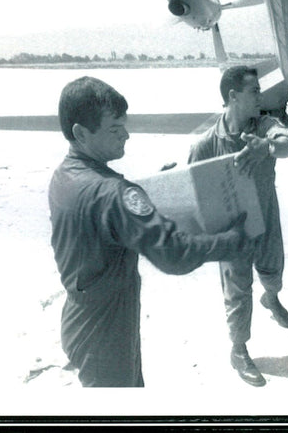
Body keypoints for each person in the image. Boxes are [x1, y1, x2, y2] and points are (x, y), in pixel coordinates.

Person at [48, 76, 247, 387]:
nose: (126, 135)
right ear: (80, 133)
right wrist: (232, 241)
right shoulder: (114, 193)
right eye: (115, 128)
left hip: (81, 318)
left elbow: (100, 216)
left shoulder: (65, 176)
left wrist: (144, 194)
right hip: (106, 330)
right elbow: (175, 255)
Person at [188, 65, 288, 387]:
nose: (260, 97)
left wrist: (268, 147)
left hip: (266, 220)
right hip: (233, 233)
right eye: (254, 92)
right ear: (233, 97)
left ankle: (273, 298)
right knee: (237, 291)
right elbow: (192, 189)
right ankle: (238, 350)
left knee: (273, 273)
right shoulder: (206, 144)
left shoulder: (264, 126)